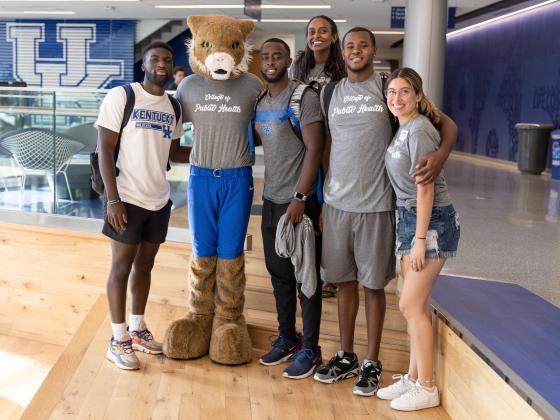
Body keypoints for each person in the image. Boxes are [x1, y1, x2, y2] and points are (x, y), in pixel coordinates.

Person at [313, 28, 457, 397]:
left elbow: (446, 124)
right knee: (344, 282)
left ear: (374, 50)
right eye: (350, 46)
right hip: (338, 204)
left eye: (363, 44)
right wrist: (326, 198)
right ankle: (346, 355)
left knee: (373, 285)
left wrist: (438, 157)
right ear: (340, 52)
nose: (356, 50)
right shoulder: (331, 91)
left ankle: (372, 362)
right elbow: (330, 145)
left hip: (378, 206)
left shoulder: (387, 87)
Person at [97, 41, 187, 370]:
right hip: (127, 198)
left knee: (145, 267)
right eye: (155, 59)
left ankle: (137, 329)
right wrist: (113, 199)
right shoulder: (123, 96)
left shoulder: (174, 106)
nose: (162, 64)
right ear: (144, 65)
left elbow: (175, 153)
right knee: (120, 268)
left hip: (159, 199)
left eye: (167, 59)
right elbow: (105, 150)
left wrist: (220, 153)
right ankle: (117, 339)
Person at [377, 67, 460, 411]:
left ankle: (427, 387)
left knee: (409, 305)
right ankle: (413, 377)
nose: (397, 98)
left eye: (404, 92)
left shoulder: (421, 129)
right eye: (391, 93)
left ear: (418, 96)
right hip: (409, 220)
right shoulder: (403, 128)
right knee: (417, 305)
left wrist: (419, 238)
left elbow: (425, 188)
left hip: (431, 222)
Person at [254, 38, 324, 378]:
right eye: (265, 57)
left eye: (277, 56)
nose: (270, 61)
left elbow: (314, 149)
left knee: (305, 279)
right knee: (278, 276)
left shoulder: (303, 97)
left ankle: (311, 349)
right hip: (270, 201)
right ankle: (288, 338)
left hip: (298, 203)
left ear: (288, 60)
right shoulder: (260, 101)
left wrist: (300, 197)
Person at [292, 15, 345, 299]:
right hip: (303, 143)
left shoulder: (342, 70)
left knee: (329, 208)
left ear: (334, 37)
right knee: (308, 207)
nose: (317, 35)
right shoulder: (298, 67)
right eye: (312, 31)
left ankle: (331, 275)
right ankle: (306, 269)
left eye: (324, 31)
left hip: (333, 145)